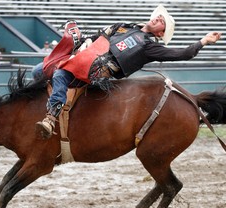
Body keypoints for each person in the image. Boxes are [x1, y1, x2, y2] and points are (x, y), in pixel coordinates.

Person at [32, 4, 222, 139]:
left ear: (161, 34)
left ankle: (51, 118)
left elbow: (184, 53)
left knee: (60, 75)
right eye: (159, 16)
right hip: (81, 57)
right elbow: (100, 35)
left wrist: (203, 41)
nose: (158, 18)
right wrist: (87, 41)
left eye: (162, 21)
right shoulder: (126, 27)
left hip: (98, 71)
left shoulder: (149, 47)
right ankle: (43, 109)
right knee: (39, 70)